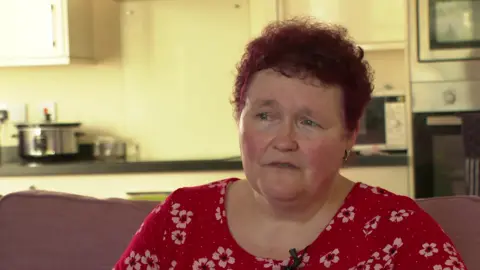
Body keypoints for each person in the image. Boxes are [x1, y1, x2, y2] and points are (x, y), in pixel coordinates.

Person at [113, 17, 467, 270]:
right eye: (265, 116)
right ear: (240, 119)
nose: (284, 141)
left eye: (308, 122)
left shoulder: (399, 233)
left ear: (349, 134)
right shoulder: (180, 219)